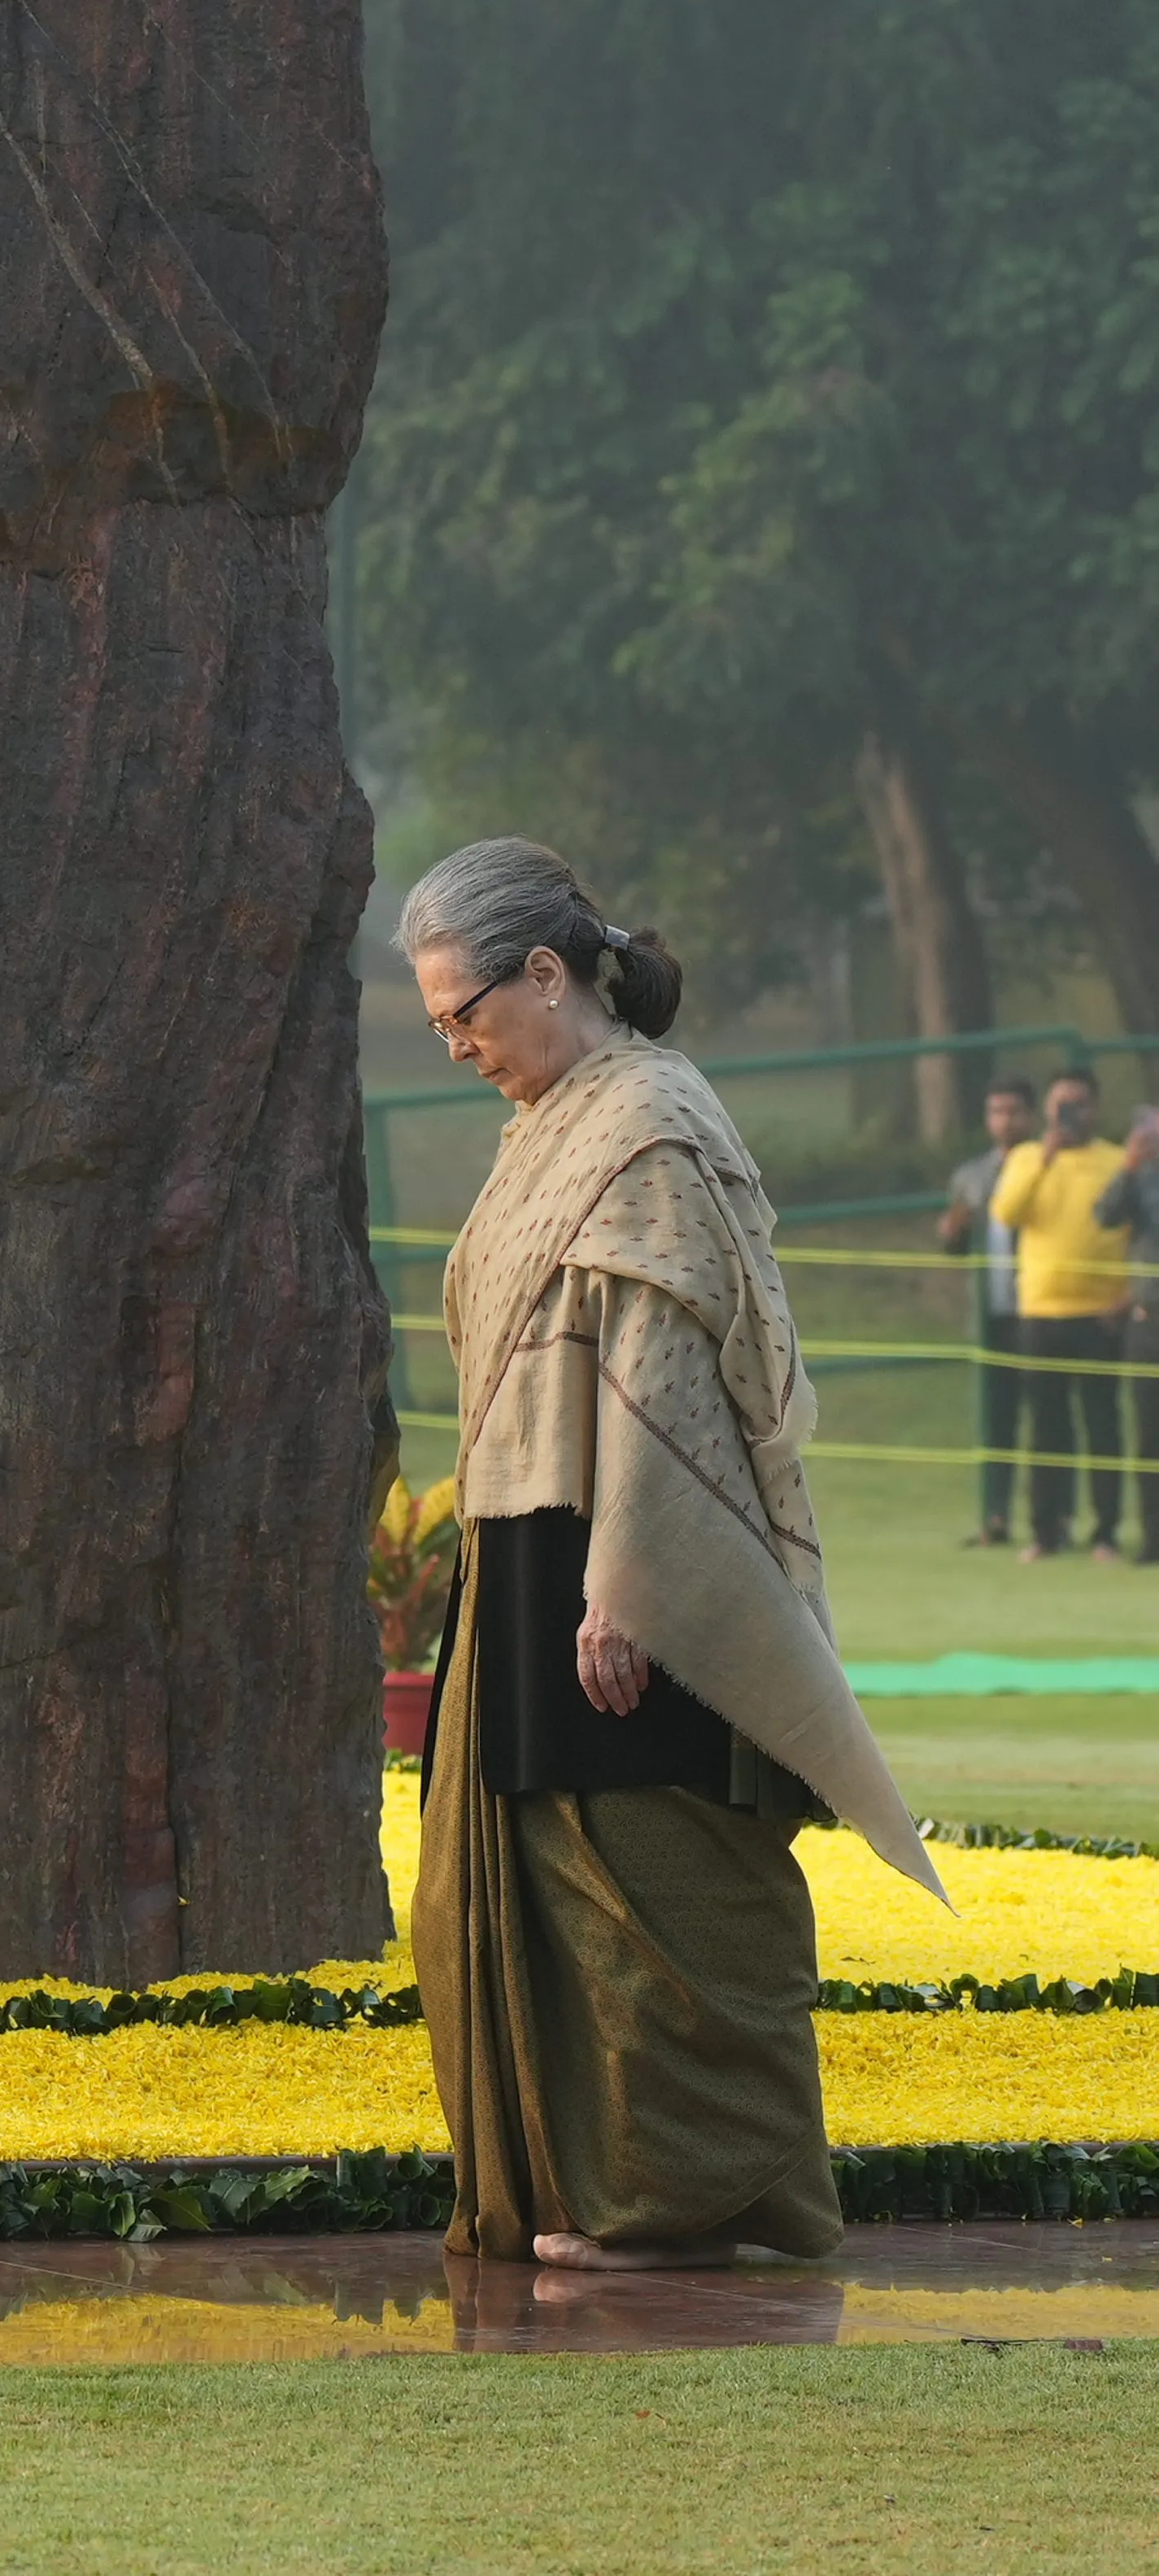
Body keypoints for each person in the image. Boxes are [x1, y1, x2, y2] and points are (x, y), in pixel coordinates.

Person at [399, 835, 940, 2271]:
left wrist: (620, 1586)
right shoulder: (554, 1120)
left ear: (548, 970)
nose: (456, 1044)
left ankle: (680, 2206)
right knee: (520, 1892)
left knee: (661, 1900)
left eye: (468, 1011)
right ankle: (584, 2186)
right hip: (525, 1549)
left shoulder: (649, 1121)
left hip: (624, 1568)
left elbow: (662, 1364)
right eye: (437, 1024)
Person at [992, 1066, 1131, 1563]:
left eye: (1080, 1103)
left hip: (1101, 1315)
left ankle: (1106, 1533)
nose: (1070, 1113)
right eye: (1060, 1105)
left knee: (1103, 1426)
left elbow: (1136, 1229)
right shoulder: (1027, 1157)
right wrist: (1044, 1158)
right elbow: (1006, 1213)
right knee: (1047, 1430)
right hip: (1041, 1313)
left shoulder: (1118, 1160)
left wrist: (1129, 1294)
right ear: (1047, 1111)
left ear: (1097, 1108)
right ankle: (1047, 1532)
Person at [936, 1079, 1037, 1548]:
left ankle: (1047, 1522)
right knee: (995, 1421)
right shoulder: (971, 1176)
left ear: (1031, 1116)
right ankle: (995, 1519)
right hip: (991, 1314)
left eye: (1013, 1111)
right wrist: (951, 1232)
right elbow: (953, 1244)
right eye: (996, 1111)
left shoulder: (1044, 1165)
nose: (1004, 1121)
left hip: (1039, 1311)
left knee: (1045, 1419)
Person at [1090, 1108, 1159, 1566]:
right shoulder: (1142, 1178)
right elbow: (1105, 1214)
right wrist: (1131, 1165)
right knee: (1150, 1435)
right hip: (1149, 1317)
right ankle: (1153, 1536)